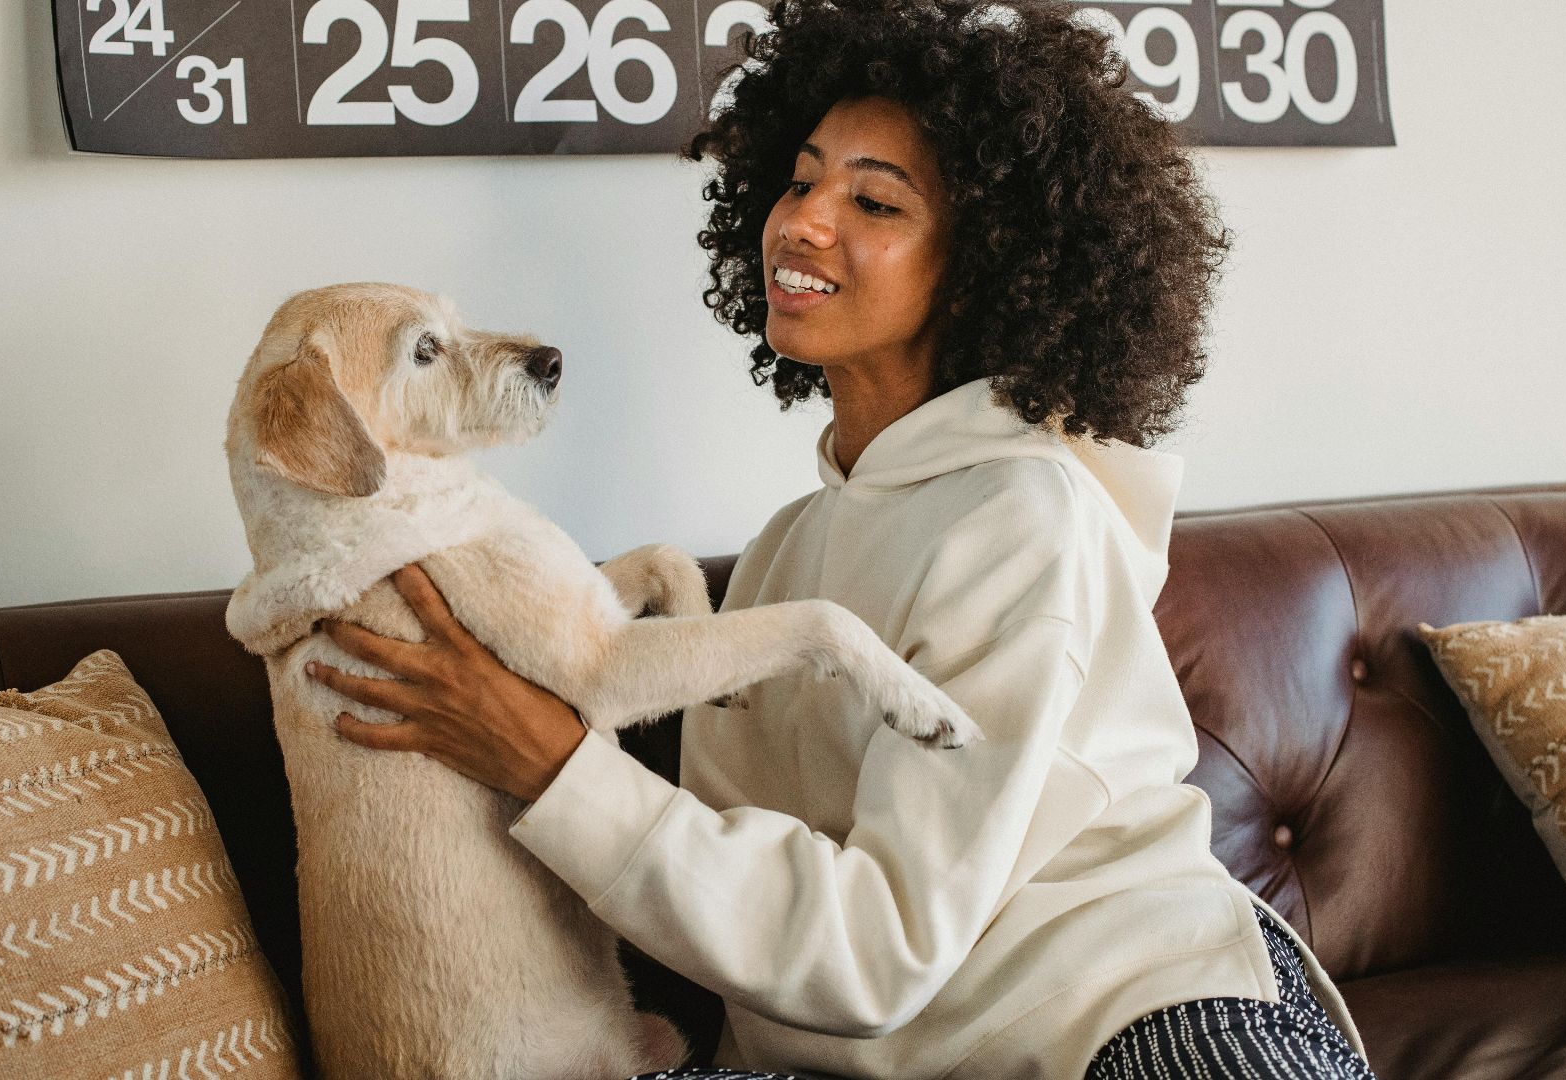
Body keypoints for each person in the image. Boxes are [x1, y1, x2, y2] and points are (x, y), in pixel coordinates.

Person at [301, 0, 1379, 1076]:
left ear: (988, 261)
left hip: (1123, 1010)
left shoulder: (1024, 520)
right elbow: (743, 923)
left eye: (875, 201)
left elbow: (879, 946)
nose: (805, 221)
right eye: (803, 178)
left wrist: (547, 760)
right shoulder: (788, 548)